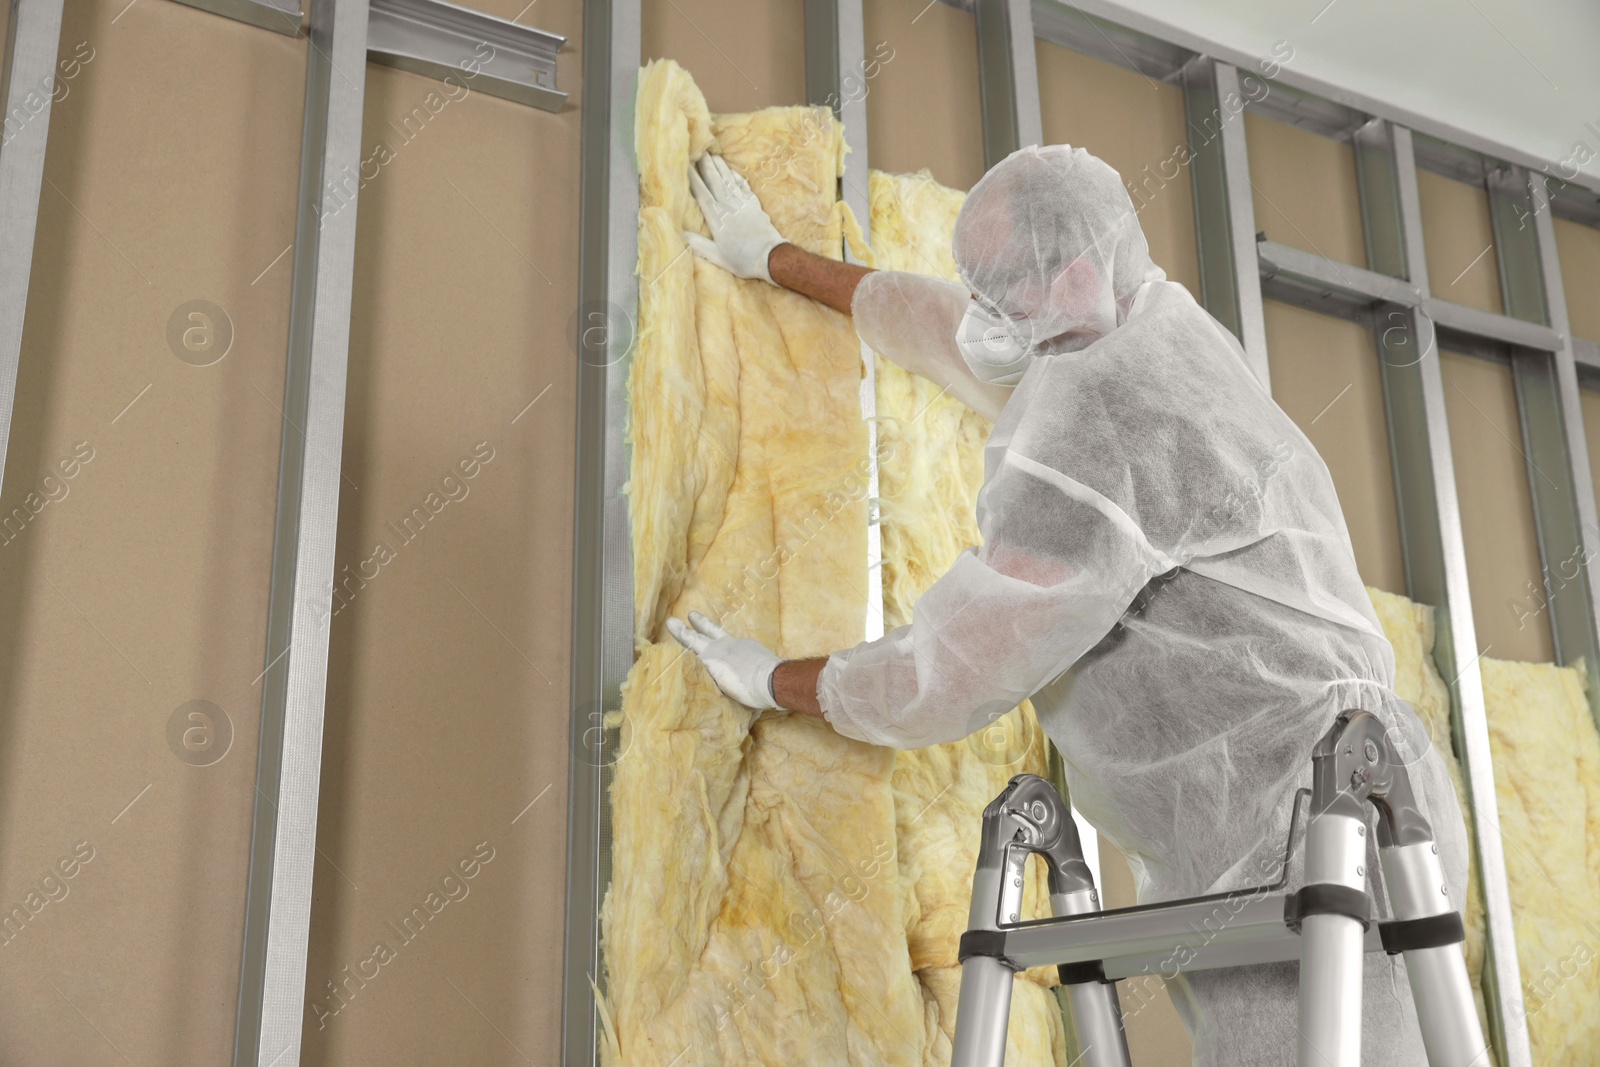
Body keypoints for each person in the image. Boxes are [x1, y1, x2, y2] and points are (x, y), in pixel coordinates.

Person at [667, 146, 1472, 1066]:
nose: (990, 322)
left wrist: (771, 678)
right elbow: (949, 329)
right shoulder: (1151, 324)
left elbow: (948, 671)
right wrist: (775, 257)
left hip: (1299, 833)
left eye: (1009, 295)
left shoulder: (1104, 425)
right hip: (1359, 793)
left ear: (1079, 275)